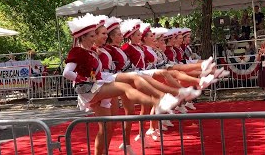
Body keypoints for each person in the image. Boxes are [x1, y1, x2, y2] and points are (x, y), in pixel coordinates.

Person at [62, 14, 182, 155]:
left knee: (107, 127)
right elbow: (66, 72)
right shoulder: (77, 51)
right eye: (92, 36)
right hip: (89, 89)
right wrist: (83, 78)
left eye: (95, 35)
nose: (94, 39)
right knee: (125, 87)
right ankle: (159, 100)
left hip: (98, 84)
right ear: (82, 37)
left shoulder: (92, 51)